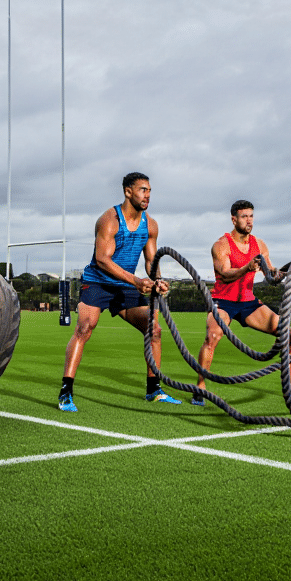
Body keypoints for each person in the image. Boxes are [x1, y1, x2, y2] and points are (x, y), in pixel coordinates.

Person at [57, 172, 179, 412]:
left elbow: (151, 261)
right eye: (143, 190)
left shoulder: (150, 224)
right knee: (84, 327)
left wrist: (158, 280)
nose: (147, 195)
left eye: (150, 191)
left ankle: (154, 390)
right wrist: (135, 281)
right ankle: (66, 391)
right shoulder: (109, 220)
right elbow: (103, 259)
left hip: (126, 286)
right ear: (127, 191)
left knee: (154, 329)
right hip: (98, 282)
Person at [193, 200, 291, 405]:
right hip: (223, 302)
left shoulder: (259, 244)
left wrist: (281, 272)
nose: (249, 220)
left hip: (248, 303)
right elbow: (226, 274)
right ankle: (200, 388)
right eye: (244, 216)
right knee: (212, 336)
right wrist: (247, 268)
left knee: (288, 333)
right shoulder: (221, 245)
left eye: (251, 216)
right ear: (234, 219)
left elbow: (270, 275)